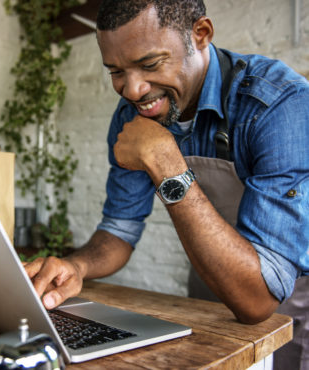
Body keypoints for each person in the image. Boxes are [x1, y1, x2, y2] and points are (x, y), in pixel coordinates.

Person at [24, 0, 309, 367]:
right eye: (115, 71)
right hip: (211, 286)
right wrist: (77, 266)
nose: (133, 90)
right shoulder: (135, 112)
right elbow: (119, 229)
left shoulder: (278, 105)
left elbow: (257, 300)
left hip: (290, 297)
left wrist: (164, 161)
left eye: (150, 64)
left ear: (200, 35)